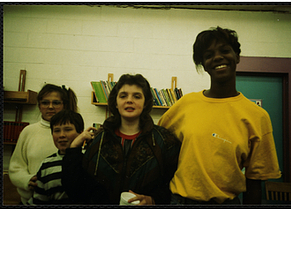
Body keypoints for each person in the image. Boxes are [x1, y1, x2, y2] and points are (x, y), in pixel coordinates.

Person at [158, 26, 281, 205]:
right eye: (208, 55)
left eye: (224, 50)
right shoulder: (185, 104)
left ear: (237, 57)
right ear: (204, 65)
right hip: (180, 203)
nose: (217, 57)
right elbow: (156, 143)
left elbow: (255, 182)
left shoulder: (257, 116)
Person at [62, 74, 181, 205]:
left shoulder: (164, 140)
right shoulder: (99, 140)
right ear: (115, 102)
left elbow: (174, 185)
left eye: (137, 96)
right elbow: (76, 189)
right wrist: (73, 150)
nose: (129, 100)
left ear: (146, 102)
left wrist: (153, 200)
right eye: (123, 96)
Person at [9, 84, 78, 204]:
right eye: (45, 103)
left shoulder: (73, 131)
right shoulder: (28, 131)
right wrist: (26, 180)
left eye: (56, 103)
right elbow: (16, 166)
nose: (50, 107)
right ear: (40, 106)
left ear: (64, 105)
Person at [27, 110, 84, 205]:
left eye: (68, 129)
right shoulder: (46, 163)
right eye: (57, 131)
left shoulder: (87, 160)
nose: (61, 135)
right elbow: (39, 199)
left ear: (81, 134)